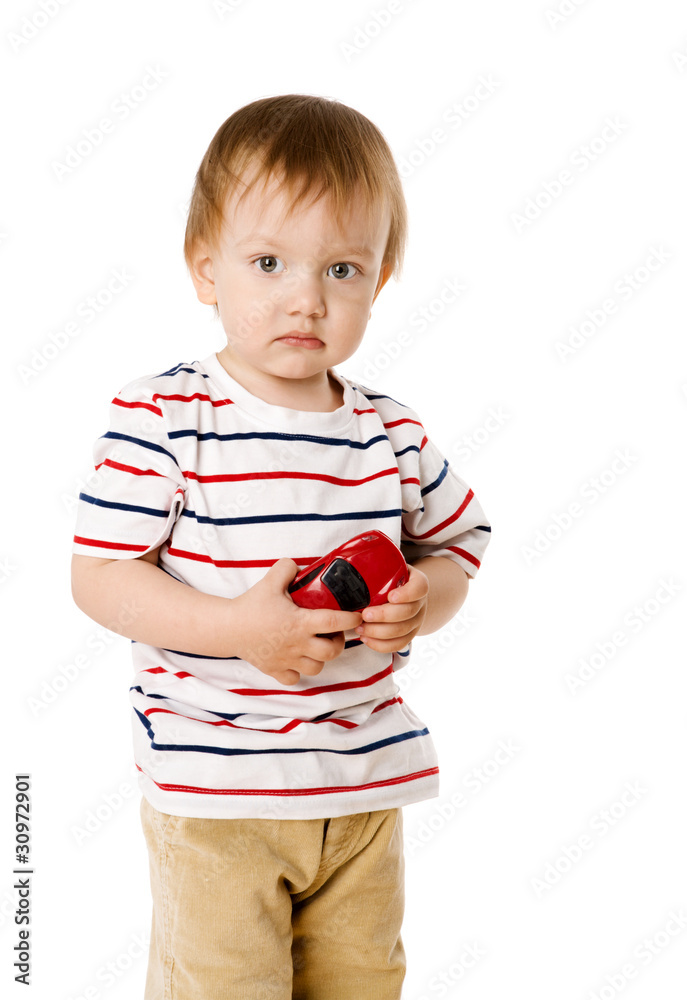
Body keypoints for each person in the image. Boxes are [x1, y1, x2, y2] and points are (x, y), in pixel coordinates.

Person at [71, 94, 491, 1000]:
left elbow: (460, 541)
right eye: (268, 263)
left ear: (379, 281)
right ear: (205, 268)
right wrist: (236, 630)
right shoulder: (165, 415)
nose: (306, 298)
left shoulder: (391, 432)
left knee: (362, 982)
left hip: (362, 786)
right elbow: (100, 575)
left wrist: (424, 598)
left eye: (341, 268)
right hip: (216, 791)